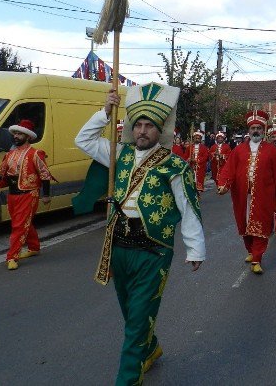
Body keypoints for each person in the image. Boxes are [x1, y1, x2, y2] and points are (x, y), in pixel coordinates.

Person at [75, 83, 205, 385]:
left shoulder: (175, 165)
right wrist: (105, 112)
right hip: (119, 247)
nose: (142, 131)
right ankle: (150, 348)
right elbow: (83, 140)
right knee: (130, 312)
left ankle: (128, 378)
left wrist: (195, 249)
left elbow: (188, 208)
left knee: (135, 321)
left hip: (153, 251)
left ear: (160, 130)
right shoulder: (119, 154)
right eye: (139, 125)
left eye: (149, 126)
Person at [0, 119, 53, 270]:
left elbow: (45, 175)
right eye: (15, 133)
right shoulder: (10, 154)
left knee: (19, 226)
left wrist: (46, 195)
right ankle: (34, 247)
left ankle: (12, 256)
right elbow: (0, 173)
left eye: (20, 134)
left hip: (29, 194)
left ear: (28, 136)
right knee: (23, 222)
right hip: (12, 195)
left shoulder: (35, 154)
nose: (16, 136)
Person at [217, 110, 276, 274]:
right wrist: (223, 184)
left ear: (263, 131)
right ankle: (250, 251)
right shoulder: (238, 150)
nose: (255, 131)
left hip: (264, 196)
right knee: (245, 225)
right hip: (242, 196)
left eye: (258, 128)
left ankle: (257, 258)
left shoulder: (272, 151)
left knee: (261, 225)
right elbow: (228, 170)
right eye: (253, 128)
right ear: (248, 130)